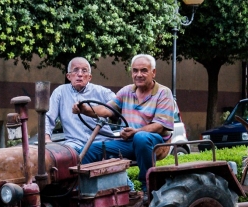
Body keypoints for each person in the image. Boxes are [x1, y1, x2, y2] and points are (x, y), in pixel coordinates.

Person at [74, 54, 174, 192]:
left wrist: (136, 131)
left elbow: (160, 126)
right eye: (135, 71)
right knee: (91, 149)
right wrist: (84, 109)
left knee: (141, 138)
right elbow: (106, 109)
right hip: (130, 142)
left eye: (144, 70)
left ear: (153, 72)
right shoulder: (127, 91)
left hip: (156, 144)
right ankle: (82, 190)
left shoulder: (163, 93)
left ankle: (149, 188)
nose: (139, 74)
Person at [45, 57, 115, 154]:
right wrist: (46, 137)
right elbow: (48, 116)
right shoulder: (60, 92)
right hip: (74, 143)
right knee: (63, 157)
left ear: (89, 77)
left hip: (102, 141)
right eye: (75, 70)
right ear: (68, 76)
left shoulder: (102, 92)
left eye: (84, 71)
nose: (80, 74)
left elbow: (121, 108)